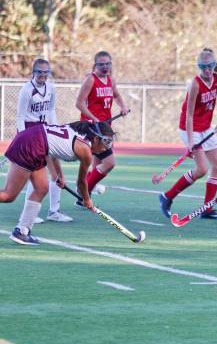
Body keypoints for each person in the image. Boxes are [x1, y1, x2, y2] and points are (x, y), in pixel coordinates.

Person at [0, 121, 114, 245]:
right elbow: (81, 182)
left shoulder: (79, 133)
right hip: (31, 145)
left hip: (35, 142)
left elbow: (53, 150)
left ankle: (22, 231)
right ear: (96, 138)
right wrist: (86, 200)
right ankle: (21, 231)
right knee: (8, 196)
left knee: (41, 188)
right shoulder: (85, 150)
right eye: (106, 142)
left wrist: (58, 174)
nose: (107, 148)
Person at [159, 48, 217, 219]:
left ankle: (207, 208)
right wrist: (191, 143)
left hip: (206, 127)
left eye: (210, 66)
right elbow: (189, 115)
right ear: (199, 67)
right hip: (189, 128)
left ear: (214, 65)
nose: (207, 70)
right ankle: (167, 196)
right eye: (203, 67)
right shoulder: (195, 84)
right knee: (201, 169)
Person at [15, 58, 72, 223]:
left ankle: (54, 211)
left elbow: (51, 109)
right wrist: (23, 138)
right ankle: (30, 213)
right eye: (39, 71)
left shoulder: (50, 87)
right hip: (30, 131)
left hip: (45, 130)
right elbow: (20, 117)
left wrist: (55, 129)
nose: (42, 75)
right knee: (35, 172)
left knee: (56, 170)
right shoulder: (27, 90)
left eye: (46, 72)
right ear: (33, 72)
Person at [75, 51, 129, 197]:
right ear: (95, 65)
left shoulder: (111, 80)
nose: (105, 67)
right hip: (93, 128)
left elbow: (116, 95)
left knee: (97, 165)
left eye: (108, 64)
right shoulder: (90, 80)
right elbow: (79, 104)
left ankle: (83, 190)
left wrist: (123, 107)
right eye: (101, 64)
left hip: (105, 127)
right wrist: (94, 118)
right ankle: (84, 192)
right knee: (110, 163)